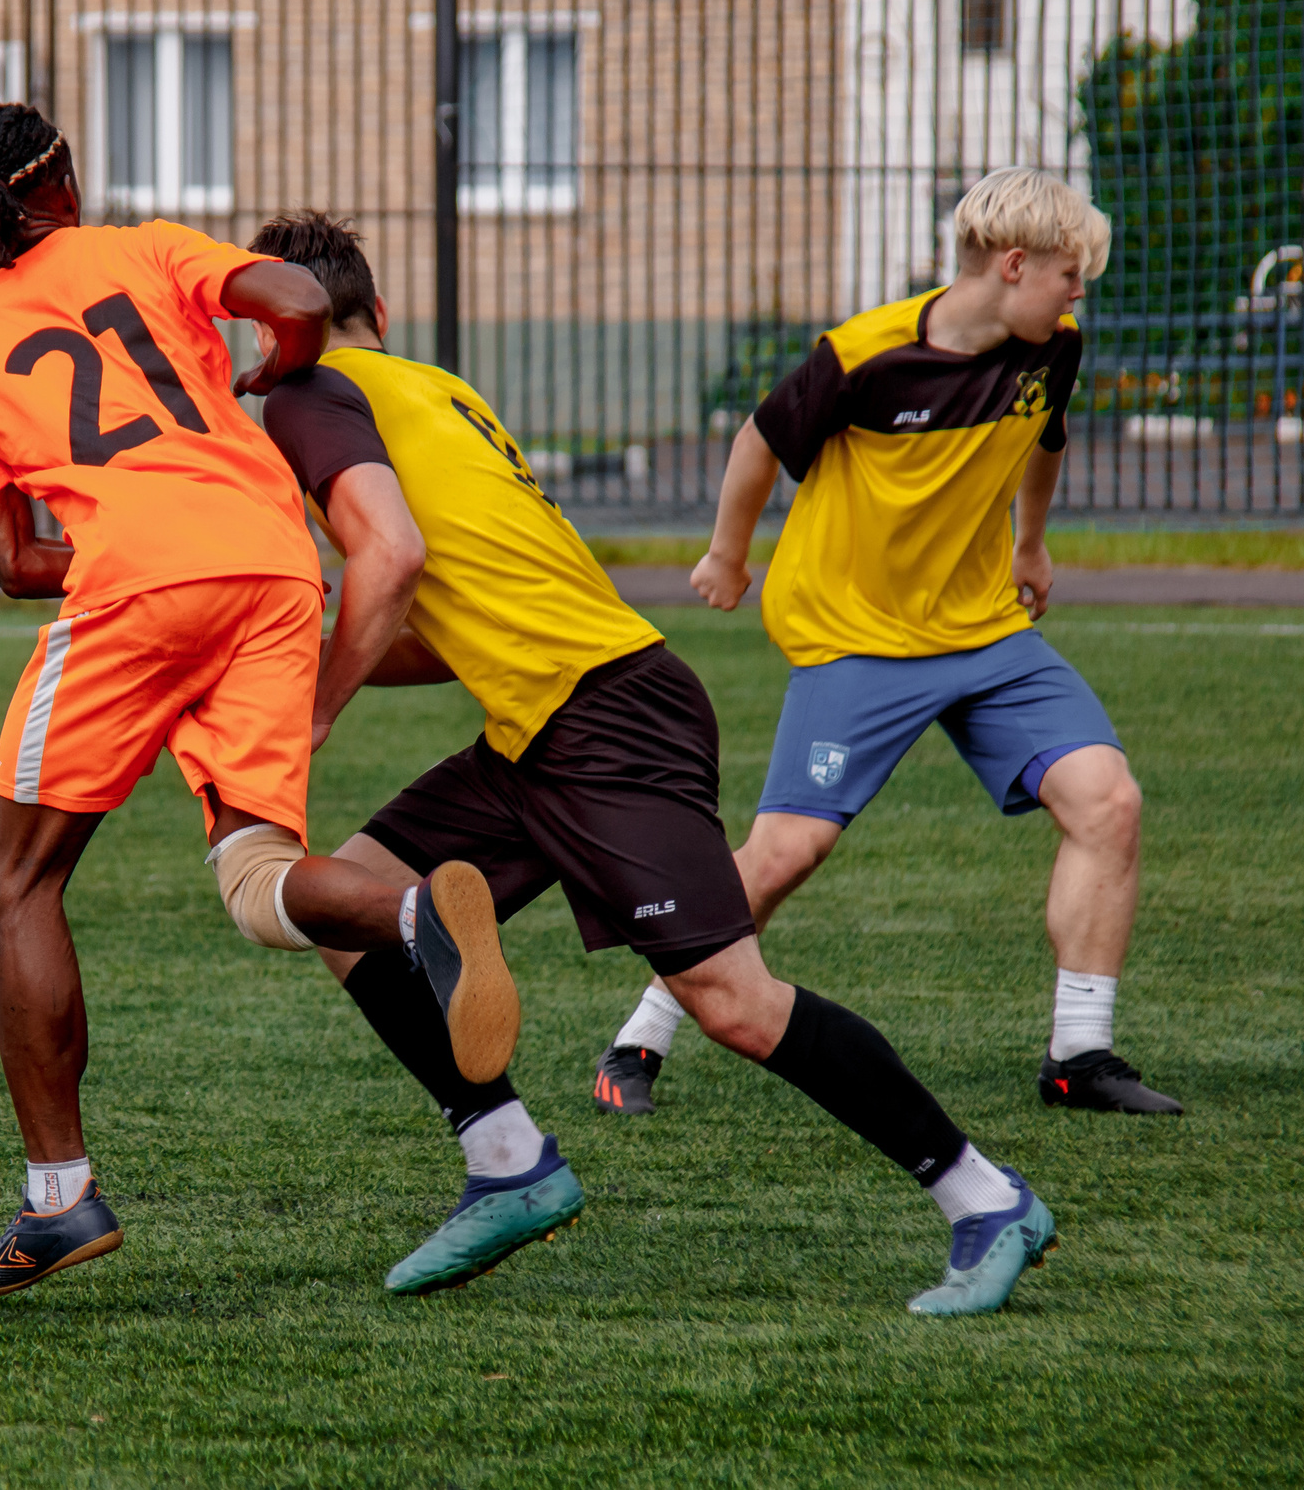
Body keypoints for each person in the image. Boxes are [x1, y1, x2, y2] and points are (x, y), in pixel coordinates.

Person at [246, 210, 1058, 1315]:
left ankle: (982, 1197)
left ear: (271, 333)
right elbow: (454, 626)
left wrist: (313, 710)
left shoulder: (305, 398)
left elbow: (391, 566)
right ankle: (507, 1164)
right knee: (354, 911)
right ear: (378, 314)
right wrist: (318, 673)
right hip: (550, 718)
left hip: (605, 721)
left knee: (728, 999)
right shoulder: (440, 391)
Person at [0, 106, 518, 1302]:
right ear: (63, 180)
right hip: (274, 565)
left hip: (137, 584)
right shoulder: (144, 247)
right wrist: (271, 373)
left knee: (17, 878)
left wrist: (108, 547)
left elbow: (6, 557)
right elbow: (296, 295)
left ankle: (60, 1198)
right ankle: (417, 917)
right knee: (256, 869)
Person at [591, 167, 1181, 1120]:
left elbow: (1046, 439)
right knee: (785, 852)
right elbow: (756, 441)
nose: (1083, 291)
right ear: (1015, 264)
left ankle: (1080, 1054)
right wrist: (725, 555)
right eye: (1072, 272)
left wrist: (1030, 545)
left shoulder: (1053, 345)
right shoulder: (862, 357)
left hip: (986, 630)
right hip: (856, 639)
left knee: (1109, 801)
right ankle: (642, 1033)